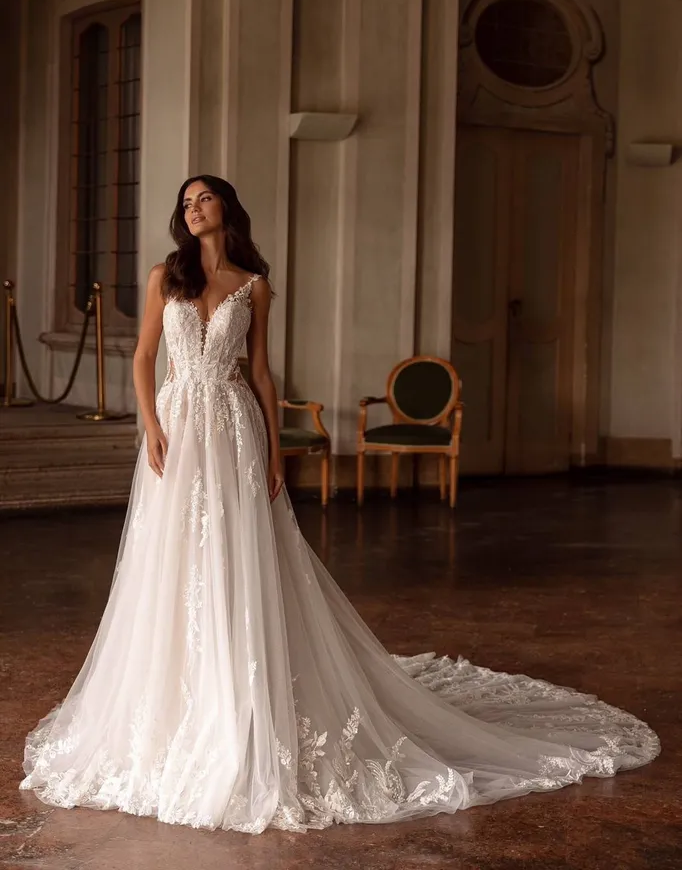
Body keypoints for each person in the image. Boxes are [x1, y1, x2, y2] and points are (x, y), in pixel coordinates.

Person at [20, 176, 660, 834]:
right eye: (186, 202)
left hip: (235, 426)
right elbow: (146, 354)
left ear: (226, 209)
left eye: (204, 198)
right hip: (181, 424)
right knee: (176, 551)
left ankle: (243, 684)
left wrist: (272, 453)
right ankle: (179, 688)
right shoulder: (166, 276)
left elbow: (262, 373)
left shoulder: (253, 284)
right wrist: (150, 424)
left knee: (241, 549)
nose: (194, 208)